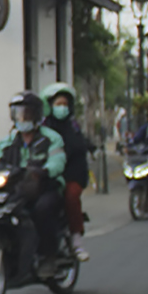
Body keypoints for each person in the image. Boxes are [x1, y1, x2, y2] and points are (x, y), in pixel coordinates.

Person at [0, 91, 67, 273]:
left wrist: (44, 170)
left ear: (37, 115)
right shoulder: (7, 141)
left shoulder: (51, 138)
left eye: (26, 113)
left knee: (42, 210)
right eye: (18, 113)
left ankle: (48, 256)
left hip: (45, 187)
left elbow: (58, 161)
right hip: (17, 188)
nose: (22, 118)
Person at [41, 81, 91, 261]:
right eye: (57, 104)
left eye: (64, 104)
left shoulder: (73, 127)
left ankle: (76, 240)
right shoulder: (42, 128)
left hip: (72, 173)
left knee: (70, 196)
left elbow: (78, 147)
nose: (61, 108)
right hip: (47, 174)